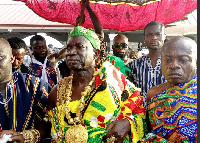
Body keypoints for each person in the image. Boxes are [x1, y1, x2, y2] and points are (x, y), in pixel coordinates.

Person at [43, 26, 146, 143]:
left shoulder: (114, 82)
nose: (71, 52)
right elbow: (47, 125)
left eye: (80, 47)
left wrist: (128, 123)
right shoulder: (58, 91)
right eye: (68, 47)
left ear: (96, 54)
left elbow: (140, 113)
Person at [142, 36, 197, 142]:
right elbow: (149, 132)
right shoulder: (153, 94)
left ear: (196, 63)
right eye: (167, 60)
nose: (174, 65)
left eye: (183, 60)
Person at [0, 38, 52, 143]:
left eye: (0, 58)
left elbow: (52, 119)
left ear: (11, 58)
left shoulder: (34, 85)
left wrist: (26, 137)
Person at [127, 21, 167, 107]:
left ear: (164, 36)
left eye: (158, 34)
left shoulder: (173, 64)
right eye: (149, 35)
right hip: (141, 116)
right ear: (144, 38)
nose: (154, 38)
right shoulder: (134, 65)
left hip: (167, 116)